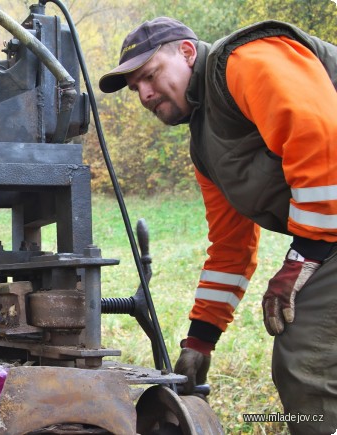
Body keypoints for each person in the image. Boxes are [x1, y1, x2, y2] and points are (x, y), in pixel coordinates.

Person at [99, 17, 337, 434]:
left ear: (188, 53)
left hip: (328, 234)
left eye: (150, 76)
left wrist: (303, 257)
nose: (145, 94)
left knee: (305, 360)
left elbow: (320, 136)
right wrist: (199, 340)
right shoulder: (206, 146)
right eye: (136, 88)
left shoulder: (244, 59)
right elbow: (231, 247)